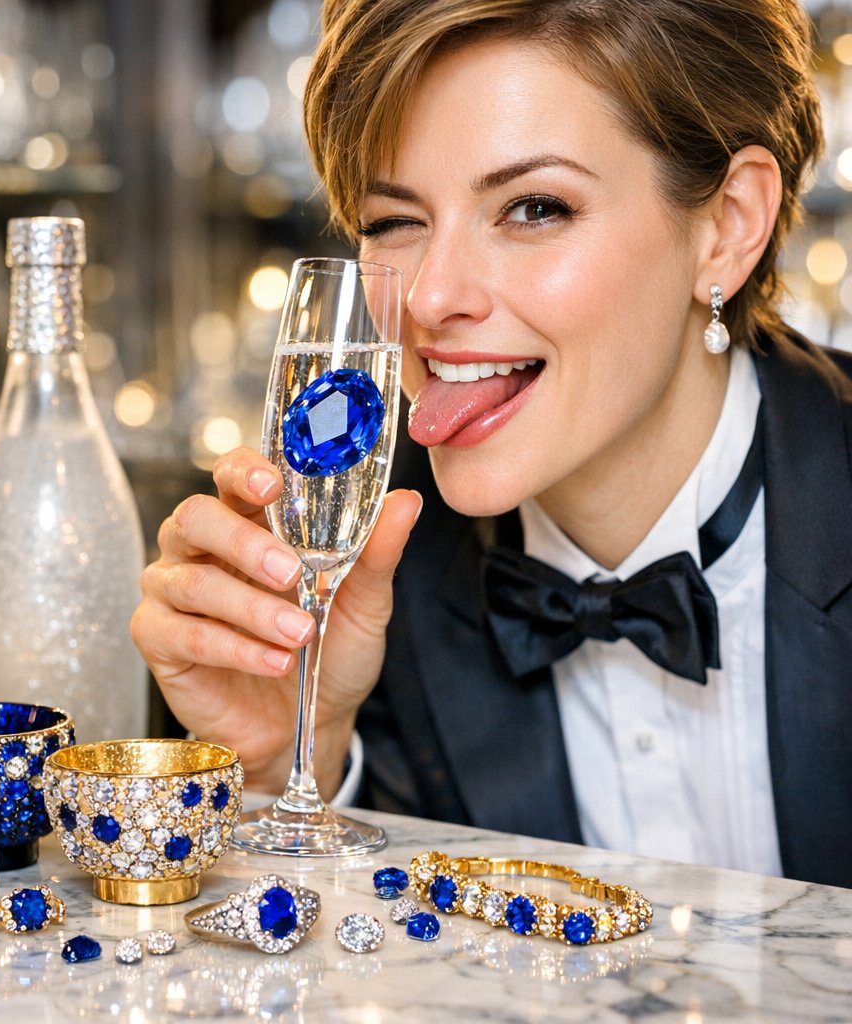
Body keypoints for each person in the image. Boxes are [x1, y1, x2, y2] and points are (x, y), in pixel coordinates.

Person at [131, 0, 852, 888]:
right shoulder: (357, 571)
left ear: (728, 224)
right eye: (394, 221)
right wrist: (290, 763)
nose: (431, 298)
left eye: (533, 208)